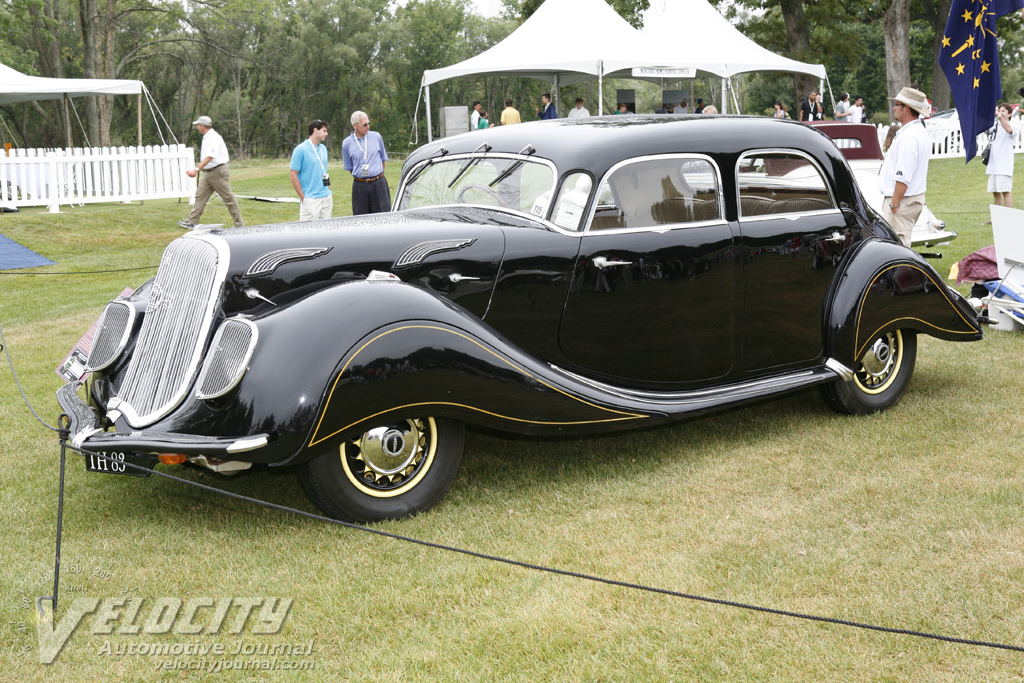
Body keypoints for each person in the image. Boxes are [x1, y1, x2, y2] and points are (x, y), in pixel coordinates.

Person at [880, 87, 931, 246]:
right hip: (909, 199)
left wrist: (894, 204)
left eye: (897, 104)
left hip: (903, 201)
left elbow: (903, 175)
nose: (894, 108)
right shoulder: (917, 131)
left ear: (906, 108)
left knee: (896, 249)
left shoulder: (909, 136)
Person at [177, 116, 243, 229]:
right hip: (209, 172)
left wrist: (196, 170)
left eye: (198, 125)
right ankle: (191, 221)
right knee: (200, 196)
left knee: (228, 198)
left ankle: (239, 225)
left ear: (202, 126)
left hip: (218, 171)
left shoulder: (213, 137)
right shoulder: (207, 137)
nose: (197, 127)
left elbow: (210, 157)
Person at [342, 110, 390, 216]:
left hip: (378, 184)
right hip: (360, 187)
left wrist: (376, 176)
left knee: (384, 218)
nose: (368, 126)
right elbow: (350, 167)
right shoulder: (346, 143)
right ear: (355, 125)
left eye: (368, 123)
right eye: (364, 124)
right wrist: (363, 178)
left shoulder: (376, 137)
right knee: (361, 220)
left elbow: (383, 159)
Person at [289, 119, 332, 221]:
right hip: (310, 199)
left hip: (326, 197)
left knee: (326, 232)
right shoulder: (300, 150)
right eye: (324, 131)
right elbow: (293, 174)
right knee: (308, 233)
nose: (327, 133)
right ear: (315, 130)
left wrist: (328, 190)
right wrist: (303, 198)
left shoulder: (323, 149)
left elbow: (323, 170)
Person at [986, 103, 1018, 215]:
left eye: (1003, 111)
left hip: (1004, 165)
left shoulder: (1013, 125)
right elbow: (984, 130)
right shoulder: (995, 126)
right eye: (999, 110)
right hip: (993, 164)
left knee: (1005, 191)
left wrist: (998, 116)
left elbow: (1009, 130)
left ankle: (1007, 216)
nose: (1000, 112)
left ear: (1009, 114)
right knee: (995, 192)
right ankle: (996, 217)